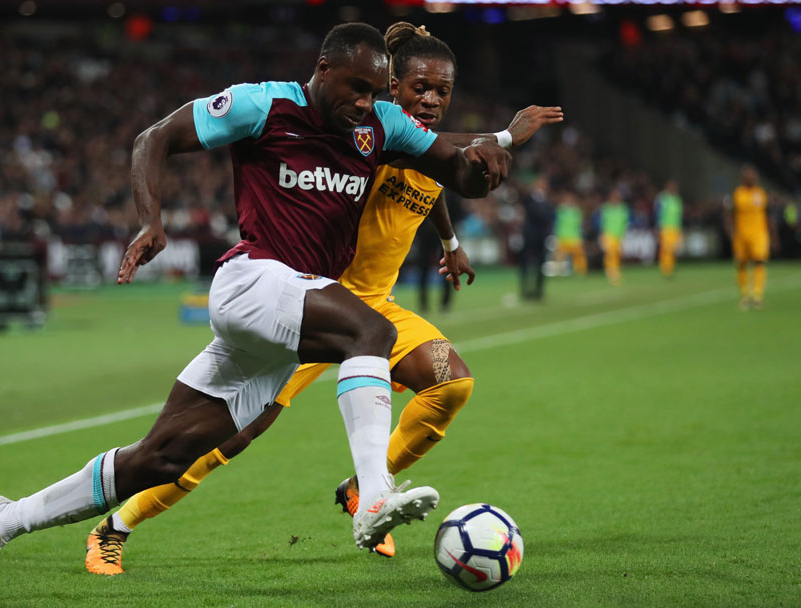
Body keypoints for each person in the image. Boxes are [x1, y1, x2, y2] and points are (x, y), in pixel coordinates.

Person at [0, 23, 514, 592]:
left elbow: (456, 173)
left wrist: (485, 161)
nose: (366, 103)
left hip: (287, 318)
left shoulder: (382, 126)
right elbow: (153, 138)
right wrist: (150, 219)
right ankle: (372, 496)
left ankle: (2, 520)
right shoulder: (263, 105)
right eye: (357, 88)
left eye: (375, 91)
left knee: (159, 459)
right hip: (253, 280)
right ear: (322, 70)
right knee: (372, 331)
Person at [82, 22, 563, 574]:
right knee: (231, 437)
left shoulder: (420, 146)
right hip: (313, 305)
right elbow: (445, 155)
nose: (429, 101)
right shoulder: (368, 134)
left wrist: (450, 241)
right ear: (389, 92)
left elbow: (435, 182)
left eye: (441, 92)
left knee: (451, 381)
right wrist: (501, 137)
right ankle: (115, 526)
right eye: (416, 90)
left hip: (372, 308)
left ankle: (367, 486)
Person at [725, 166, 770, 309]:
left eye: (754, 176)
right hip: (741, 234)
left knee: (759, 261)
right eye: (750, 176)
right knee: (742, 263)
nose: (753, 178)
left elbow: (768, 215)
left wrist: (773, 235)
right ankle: (744, 295)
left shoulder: (761, 194)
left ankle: (757, 295)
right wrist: (731, 231)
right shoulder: (737, 194)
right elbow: (728, 214)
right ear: (744, 178)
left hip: (759, 233)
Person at [519, 176, 553, 300]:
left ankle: (538, 290)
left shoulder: (546, 201)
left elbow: (550, 215)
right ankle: (525, 290)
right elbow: (538, 214)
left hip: (541, 236)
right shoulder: (529, 198)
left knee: (541, 264)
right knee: (526, 263)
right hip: (530, 236)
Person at [599, 188, 630, 285]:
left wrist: (624, 235)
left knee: (617, 254)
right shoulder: (606, 208)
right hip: (609, 235)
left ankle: (613, 270)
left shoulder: (623, 209)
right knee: (611, 253)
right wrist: (602, 235)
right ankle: (612, 272)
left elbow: (625, 223)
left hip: (619, 236)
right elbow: (602, 223)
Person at [553, 192, 586, 276]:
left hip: (574, 237)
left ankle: (579, 271)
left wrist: (579, 237)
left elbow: (579, 225)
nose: (569, 201)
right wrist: (556, 235)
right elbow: (557, 224)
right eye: (567, 200)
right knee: (559, 256)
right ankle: (559, 272)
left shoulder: (576, 212)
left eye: (570, 200)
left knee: (579, 254)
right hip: (562, 236)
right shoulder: (561, 211)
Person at [655, 179, 683, 278]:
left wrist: (679, 228)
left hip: (675, 228)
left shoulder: (677, 200)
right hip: (665, 227)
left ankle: (670, 267)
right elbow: (658, 213)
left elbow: (679, 215)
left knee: (673, 249)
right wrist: (658, 226)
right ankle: (665, 268)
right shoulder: (662, 198)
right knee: (666, 248)